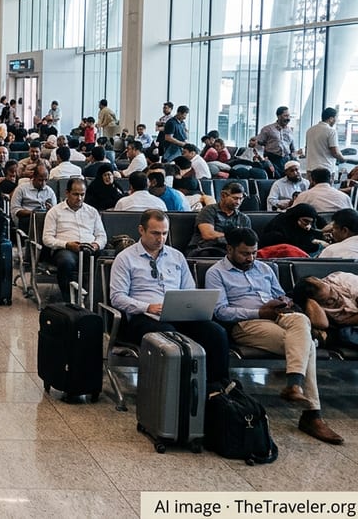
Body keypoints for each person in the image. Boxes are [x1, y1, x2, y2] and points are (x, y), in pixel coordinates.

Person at [207, 228, 343, 444]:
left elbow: (279, 293)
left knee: (301, 320)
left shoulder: (264, 268)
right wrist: (260, 312)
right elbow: (221, 311)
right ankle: (312, 413)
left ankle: (295, 386)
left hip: (279, 316)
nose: (250, 258)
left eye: (253, 253)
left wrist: (284, 302)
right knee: (307, 345)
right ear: (230, 249)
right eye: (244, 253)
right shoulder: (215, 273)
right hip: (248, 323)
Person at [109, 210, 231, 389]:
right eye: (155, 233)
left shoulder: (176, 257)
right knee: (170, 335)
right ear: (141, 230)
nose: (161, 239)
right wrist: (147, 307)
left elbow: (189, 290)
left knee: (216, 333)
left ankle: (217, 387)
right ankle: (176, 390)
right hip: (142, 318)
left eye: (165, 233)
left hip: (178, 314)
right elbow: (117, 298)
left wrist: (190, 306)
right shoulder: (125, 259)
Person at [41, 179, 106, 302]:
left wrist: (96, 244)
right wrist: (66, 244)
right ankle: (69, 299)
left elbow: (101, 235)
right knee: (66, 261)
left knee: (102, 260)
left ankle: (93, 298)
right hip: (65, 249)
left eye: (82, 194)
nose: (79, 198)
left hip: (89, 248)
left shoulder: (92, 212)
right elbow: (47, 238)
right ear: (67, 193)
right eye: (75, 194)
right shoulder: (55, 212)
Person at [304, 107, 347, 175]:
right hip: (325, 170)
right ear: (331, 118)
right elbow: (335, 152)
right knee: (325, 186)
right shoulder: (331, 131)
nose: (337, 120)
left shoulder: (310, 130)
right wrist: (343, 159)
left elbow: (306, 149)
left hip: (311, 169)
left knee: (313, 186)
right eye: (336, 117)